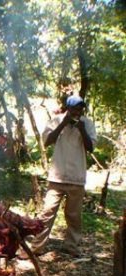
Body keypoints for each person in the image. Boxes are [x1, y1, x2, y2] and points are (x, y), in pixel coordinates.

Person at [24, 95, 97, 257]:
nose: (77, 112)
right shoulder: (56, 120)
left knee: (73, 215)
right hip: (57, 177)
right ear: (68, 109)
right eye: (74, 108)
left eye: (80, 108)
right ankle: (36, 246)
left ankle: (72, 246)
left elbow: (91, 147)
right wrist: (63, 124)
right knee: (47, 213)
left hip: (77, 177)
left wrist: (82, 129)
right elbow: (47, 141)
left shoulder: (87, 124)